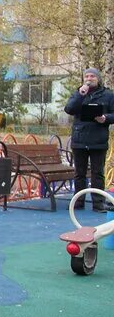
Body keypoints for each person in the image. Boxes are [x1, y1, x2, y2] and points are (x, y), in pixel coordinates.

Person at [63, 68, 114, 212]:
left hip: (98, 139)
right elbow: (69, 109)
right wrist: (80, 94)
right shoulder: (79, 93)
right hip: (80, 139)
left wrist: (105, 118)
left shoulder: (108, 95)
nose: (89, 78)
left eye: (92, 76)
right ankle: (78, 202)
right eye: (87, 76)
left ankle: (98, 204)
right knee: (79, 173)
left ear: (98, 79)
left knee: (97, 173)